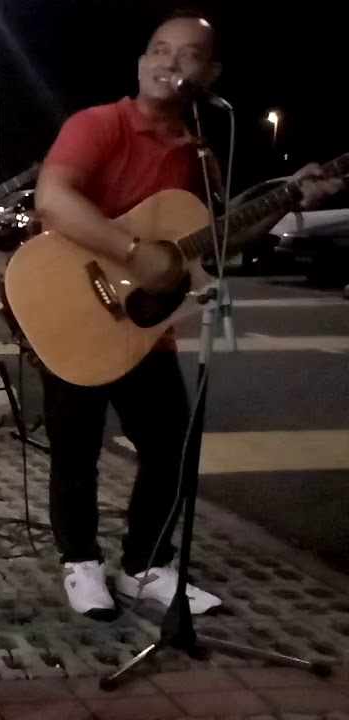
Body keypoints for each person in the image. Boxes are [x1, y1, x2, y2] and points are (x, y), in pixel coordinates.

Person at [34, 9, 343, 620]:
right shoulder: (98, 125)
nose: (169, 62)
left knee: (172, 447)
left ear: (212, 73)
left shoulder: (199, 154)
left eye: (188, 54)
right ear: (140, 62)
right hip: (72, 305)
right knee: (76, 449)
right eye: (159, 49)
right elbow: (53, 199)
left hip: (145, 328)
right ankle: (81, 562)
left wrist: (288, 198)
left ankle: (145, 565)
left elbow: (219, 239)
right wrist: (133, 251)